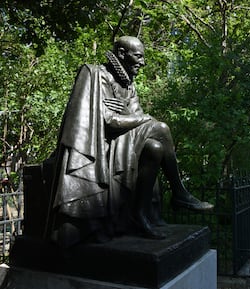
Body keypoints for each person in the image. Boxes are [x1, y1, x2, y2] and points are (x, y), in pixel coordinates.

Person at [48, 36, 213, 247]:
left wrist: (133, 116)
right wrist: (141, 118)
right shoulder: (97, 76)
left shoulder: (128, 85)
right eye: (138, 56)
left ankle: (141, 214)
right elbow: (110, 121)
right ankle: (179, 193)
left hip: (124, 141)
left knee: (154, 148)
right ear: (121, 54)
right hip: (104, 145)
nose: (142, 62)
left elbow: (134, 117)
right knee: (161, 128)